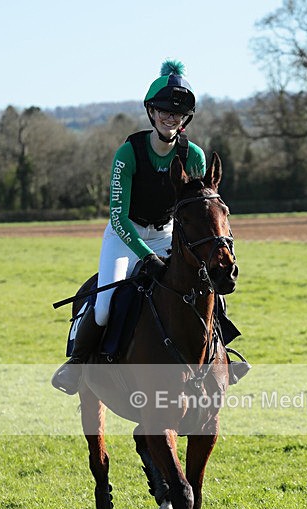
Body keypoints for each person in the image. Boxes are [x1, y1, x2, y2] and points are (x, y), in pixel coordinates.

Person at [52, 59, 206, 395]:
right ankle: (76, 365)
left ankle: (222, 357)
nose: (170, 117)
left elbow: (195, 212)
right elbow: (119, 218)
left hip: (168, 235)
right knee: (105, 305)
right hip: (126, 236)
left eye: (177, 113)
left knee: (204, 289)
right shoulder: (129, 153)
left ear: (185, 119)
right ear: (151, 112)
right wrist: (146, 256)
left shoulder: (194, 157)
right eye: (164, 110)